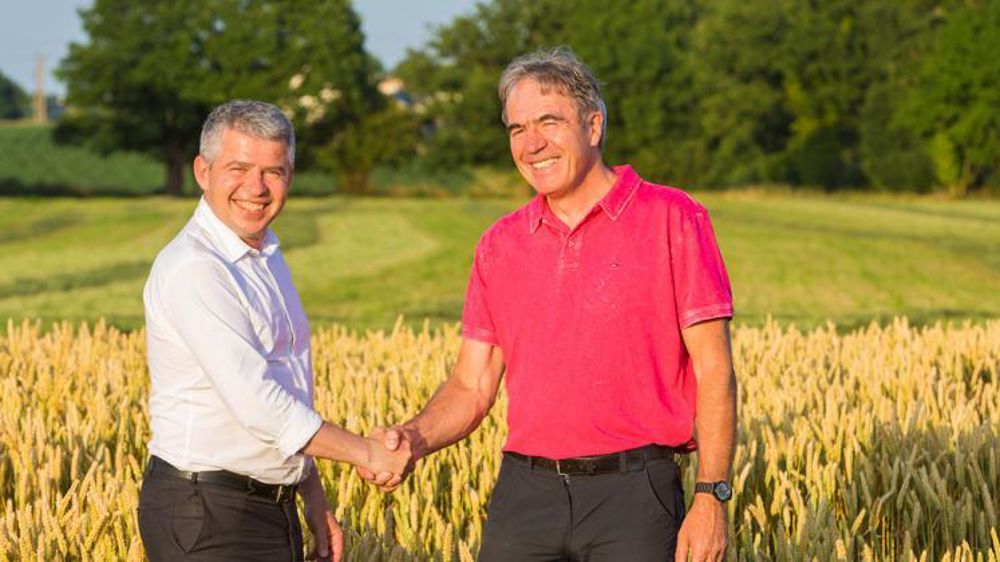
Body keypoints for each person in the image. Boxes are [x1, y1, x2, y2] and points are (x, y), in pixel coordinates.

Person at [361, 48, 737, 561]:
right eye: (517, 129)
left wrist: (712, 495)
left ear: (594, 125)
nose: (531, 143)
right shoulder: (498, 244)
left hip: (635, 495)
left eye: (548, 122)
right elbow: (471, 385)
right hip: (525, 496)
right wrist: (412, 437)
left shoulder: (674, 218)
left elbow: (715, 369)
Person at [138, 100, 405, 562]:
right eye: (238, 168)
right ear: (203, 172)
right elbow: (259, 403)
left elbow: (287, 385)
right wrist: (368, 453)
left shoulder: (263, 256)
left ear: (290, 178)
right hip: (206, 515)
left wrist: (313, 495)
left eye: (273, 172)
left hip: (261, 507)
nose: (256, 188)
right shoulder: (196, 268)